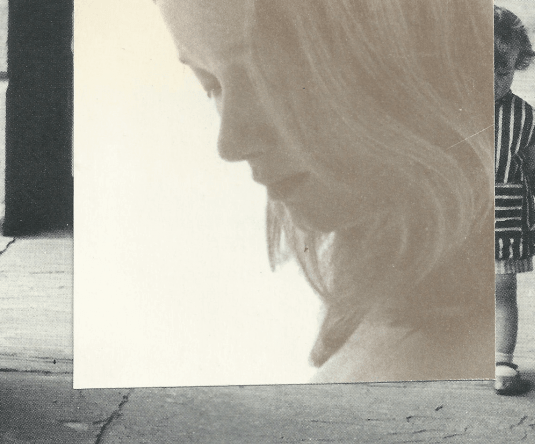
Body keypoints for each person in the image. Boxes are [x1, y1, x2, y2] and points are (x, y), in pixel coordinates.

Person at [154, 0, 496, 383]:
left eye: (269, 74)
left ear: (409, 40)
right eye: (211, 85)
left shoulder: (447, 359)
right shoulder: (385, 315)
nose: (230, 143)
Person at [494, 6, 535, 395]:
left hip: (504, 224)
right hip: (451, 225)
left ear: (517, 65)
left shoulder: (522, 117)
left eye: (504, 71)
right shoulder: (444, 109)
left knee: (503, 292)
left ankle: (502, 361)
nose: (493, 81)